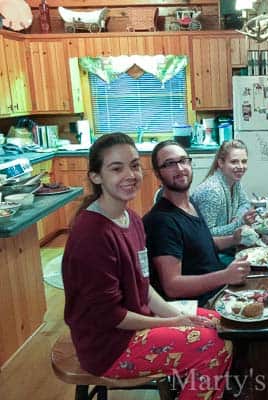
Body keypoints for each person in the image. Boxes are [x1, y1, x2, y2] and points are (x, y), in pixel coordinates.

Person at [62, 133, 231, 399]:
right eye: (116, 168)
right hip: (109, 346)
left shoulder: (131, 219)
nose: (130, 174)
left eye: (134, 165)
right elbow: (110, 317)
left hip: (137, 323)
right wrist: (175, 321)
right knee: (212, 346)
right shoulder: (91, 235)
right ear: (96, 176)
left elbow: (144, 286)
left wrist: (174, 317)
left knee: (224, 324)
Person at [143, 140, 251, 306]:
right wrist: (225, 275)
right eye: (170, 164)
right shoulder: (161, 221)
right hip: (201, 304)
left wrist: (233, 239)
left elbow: (201, 244)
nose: (180, 168)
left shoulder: (189, 204)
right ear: (158, 174)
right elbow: (172, 286)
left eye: (183, 161)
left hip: (220, 288)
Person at [191, 139, 257, 236]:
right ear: (221, 163)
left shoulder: (234, 180)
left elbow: (244, 203)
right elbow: (206, 235)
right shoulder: (212, 191)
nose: (241, 166)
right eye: (234, 162)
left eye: (244, 161)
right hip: (207, 249)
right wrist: (240, 223)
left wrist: (236, 217)